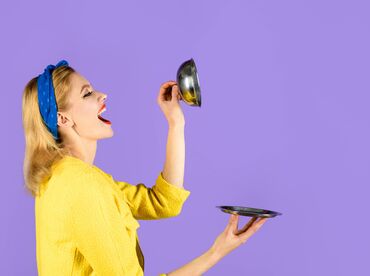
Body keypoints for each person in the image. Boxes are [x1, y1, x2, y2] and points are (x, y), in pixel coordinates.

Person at [22, 60, 268, 275]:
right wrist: (215, 254)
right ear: (62, 118)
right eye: (87, 94)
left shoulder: (65, 177)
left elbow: (164, 202)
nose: (102, 95)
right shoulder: (83, 185)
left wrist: (175, 122)